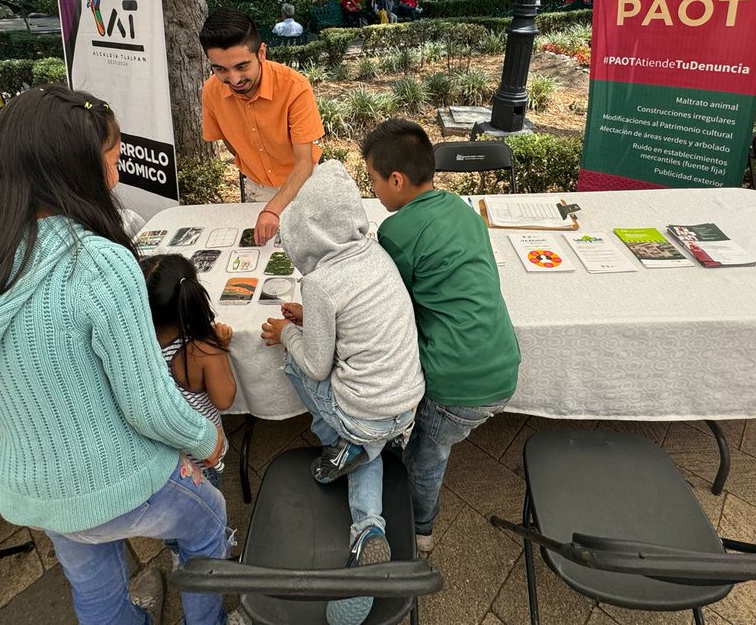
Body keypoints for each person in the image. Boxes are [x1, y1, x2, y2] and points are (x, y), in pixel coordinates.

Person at [0, 86, 228, 625]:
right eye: (112, 158)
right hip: (127, 479)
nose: (116, 171)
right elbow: (150, 405)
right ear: (76, 168)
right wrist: (208, 439)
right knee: (210, 522)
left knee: (92, 585)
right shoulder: (97, 263)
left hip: (40, 486)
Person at [260, 160, 424, 625]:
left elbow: (316, 364)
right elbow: (360, 328)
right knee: (366, 450)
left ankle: (342, 439)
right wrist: (311, 320)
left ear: (305, 232)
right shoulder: (377, 256)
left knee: (296, 362)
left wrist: (287, 335)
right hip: (406, 405)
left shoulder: (320, 282)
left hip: (363, 413)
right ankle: (367, 529)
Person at [361, 119, 521, 554]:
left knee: (426, 456)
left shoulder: (396, 232)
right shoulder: (465, 211)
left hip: (456, 384)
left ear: (396, 179)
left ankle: (420, 529)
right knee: (432, 443)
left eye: (372, 180)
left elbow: (390, 308)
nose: (372, 190)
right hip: (504, 364)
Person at [199, 8, 324, 244]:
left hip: (304, 185)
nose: (234, 80)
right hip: (257, 188)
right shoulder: (210, 91)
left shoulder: (294, 87)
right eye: (220, 69)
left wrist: (272, 209)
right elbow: (229, 142)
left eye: (242, 66)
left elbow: (304, 162)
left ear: (262, 52)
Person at [141, 253, 237, 484]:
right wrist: (220, 349)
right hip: (202, 456)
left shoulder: (136, 344)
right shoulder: (201, 350)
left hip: (162, 453)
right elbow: (224, 399)